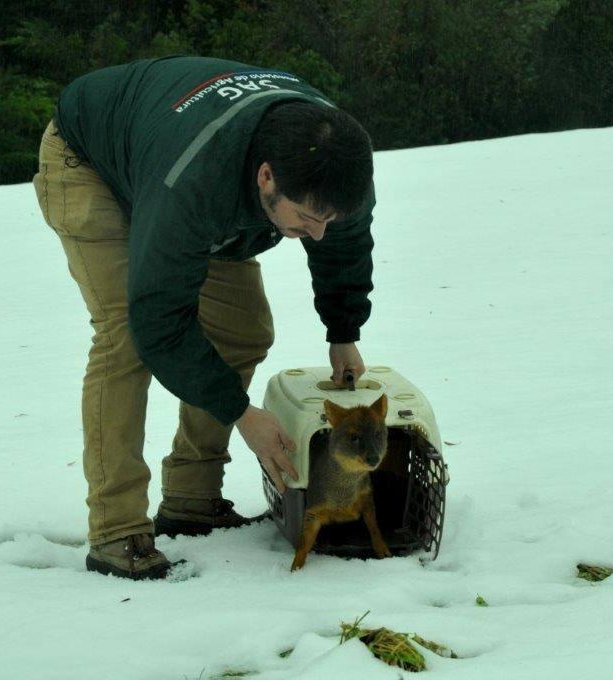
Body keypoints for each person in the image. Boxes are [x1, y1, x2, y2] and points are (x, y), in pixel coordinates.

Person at [32, 55, 376, 580]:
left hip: (176, 157)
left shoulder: (335, 164)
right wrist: (241, 413)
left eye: (329, 218)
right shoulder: (192, 181)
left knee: (243, 329)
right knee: (126, 335)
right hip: (91, 163)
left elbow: (342, 242)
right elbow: (160, 324)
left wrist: (343, 331)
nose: (320, 231)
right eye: (308, 219)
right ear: (267, 177)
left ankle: (192, 498)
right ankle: (116, 529)